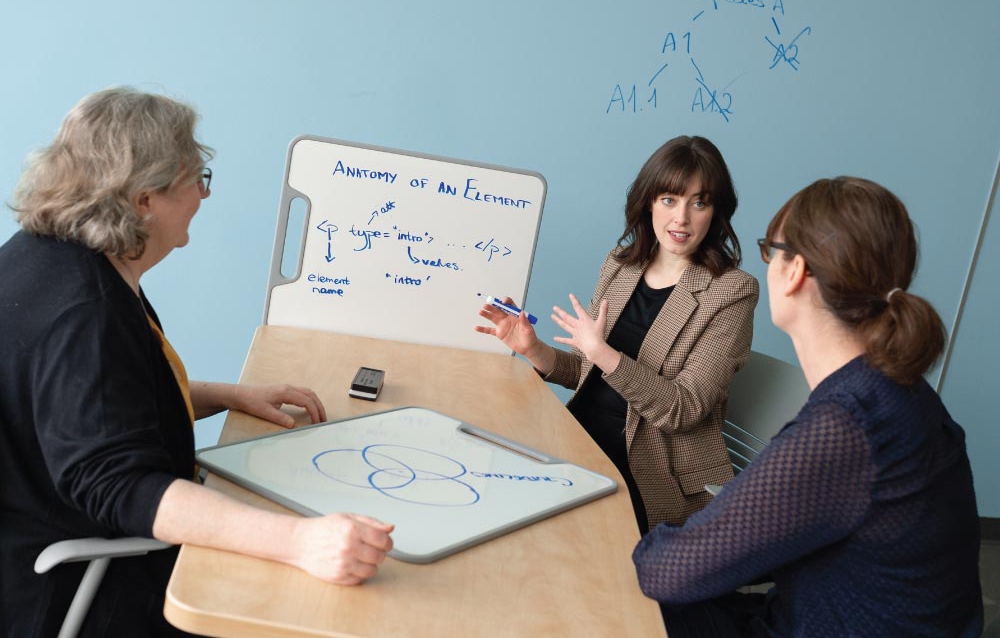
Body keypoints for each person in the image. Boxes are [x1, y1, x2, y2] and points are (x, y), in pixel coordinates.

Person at [0, 87, 394, 638]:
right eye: (195, 179)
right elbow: (118, 486)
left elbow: (89, 407)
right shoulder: (84, 313)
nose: (203, 197)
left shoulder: (43, 256)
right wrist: (301, 541)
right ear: (143, 200)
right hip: (87, 590)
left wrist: (222, 395)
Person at [632, 177, 983, 637]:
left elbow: (664, 572)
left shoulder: (846, 426)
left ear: (795, 270)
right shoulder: (897, 388)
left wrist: (635, 538)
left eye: (769, 250)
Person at [476, 136, 758, 533]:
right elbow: (592, 373)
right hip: (581, 442)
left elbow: (684, 408)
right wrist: (533, 349)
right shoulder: (621, 266)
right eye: (669, 199)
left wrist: (603, 352)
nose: (681, 218)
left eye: (699, 203)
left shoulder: (731, 291)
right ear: (648, 201)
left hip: (652, 475)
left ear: (716, 212)